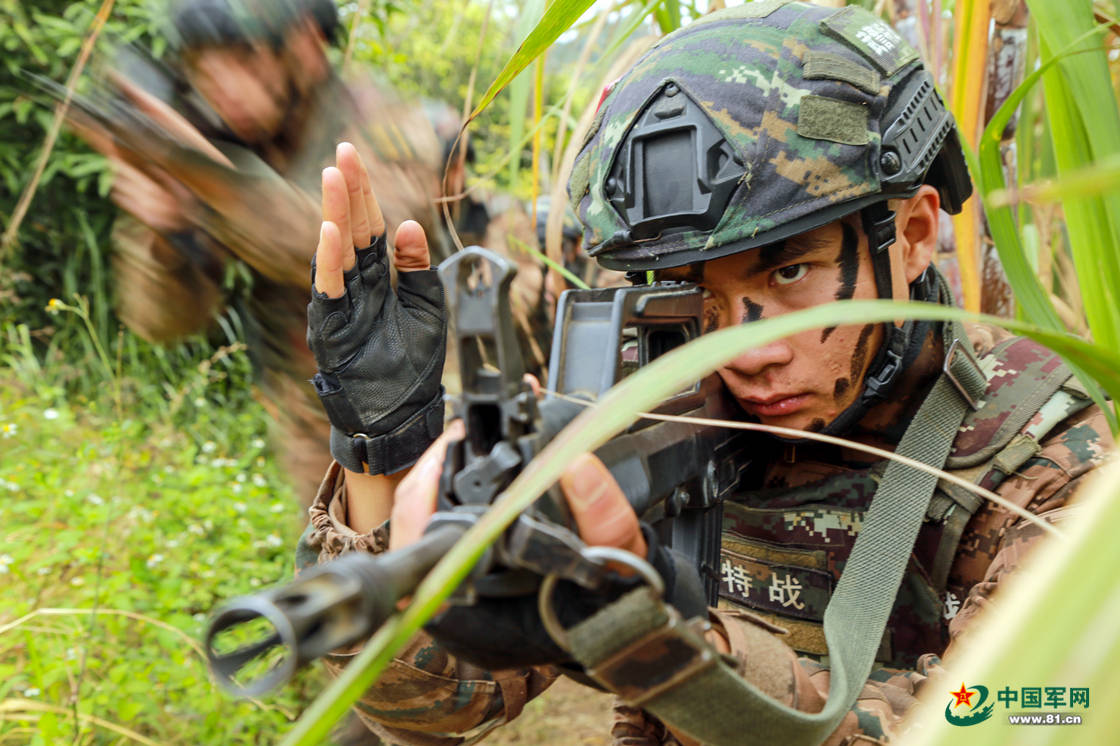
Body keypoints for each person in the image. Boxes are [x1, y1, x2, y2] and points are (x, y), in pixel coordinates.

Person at [298, 3, 1113, 744]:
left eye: (790, 272)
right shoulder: (663, 410)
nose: (746, 349)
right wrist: (386, 448)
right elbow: (439, 706)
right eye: (697, 296)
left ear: (912, 230)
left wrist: (664, 640)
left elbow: (1024, 713)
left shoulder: (1041, 452)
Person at [96, 0, 447, 502]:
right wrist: (167, 233)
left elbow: (351, 246)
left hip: (430, 418)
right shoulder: (221, 150)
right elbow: (163, 323)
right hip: (321, 441)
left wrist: (201, 176)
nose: (221, 88)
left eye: (241, 59)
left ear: (303, 43)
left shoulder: (386, 123)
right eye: (201, 67)